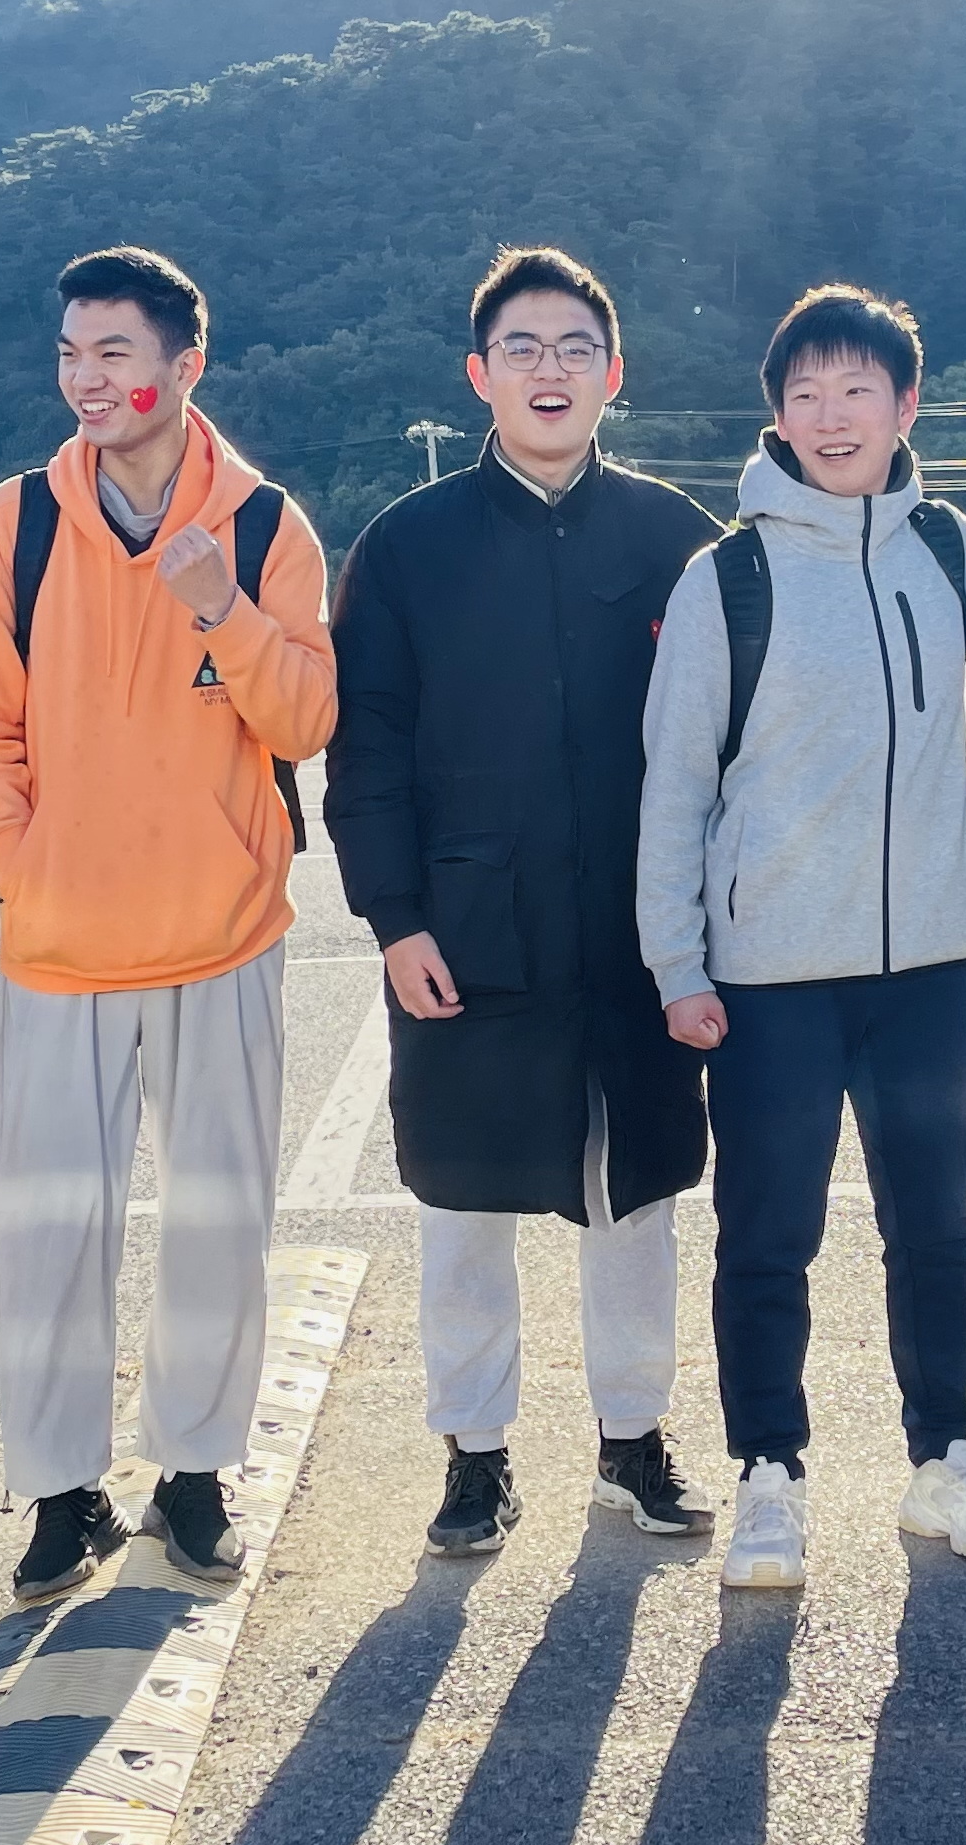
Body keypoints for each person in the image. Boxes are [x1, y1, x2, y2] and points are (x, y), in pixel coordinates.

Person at [0, 245, 334, 1602]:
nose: (86, 379)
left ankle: (197, 1475)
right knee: (50, 1232)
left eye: (114, 352)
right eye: (70, 354)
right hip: (62, 944)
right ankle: (61, 1492)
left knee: (219, 1221)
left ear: (184, 365)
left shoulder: (265, 526)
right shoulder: (16, 527)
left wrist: (222, 606)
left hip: (224, 934)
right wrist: (24, 862)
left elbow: (307, 720)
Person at [639, 283, 966, 1591]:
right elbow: (675, 787)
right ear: (778, 413)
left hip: (930, 961)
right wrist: (678, 964)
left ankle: (946, 1457)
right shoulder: (730, 578)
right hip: (771, 978)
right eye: (805, 392)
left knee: (938, 1226)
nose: (831, 413)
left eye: (857, 387)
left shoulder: (953, 552)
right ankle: (770, 1473)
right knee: (768, 1234)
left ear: (905, 404)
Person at [326, 247, 722, 1555]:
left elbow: (734, 743)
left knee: (635, 1196)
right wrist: (395, 918)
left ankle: (634, 1438)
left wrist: (705, 929)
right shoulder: (408, 545)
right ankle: (474, 1451)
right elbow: (366, 749)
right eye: (523, 349)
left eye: (575, 349)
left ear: (614, 373)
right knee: (464, 1202)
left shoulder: (675, 538)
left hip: (634, 930)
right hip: (468, 927)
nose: (550, 370)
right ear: (479, 373)